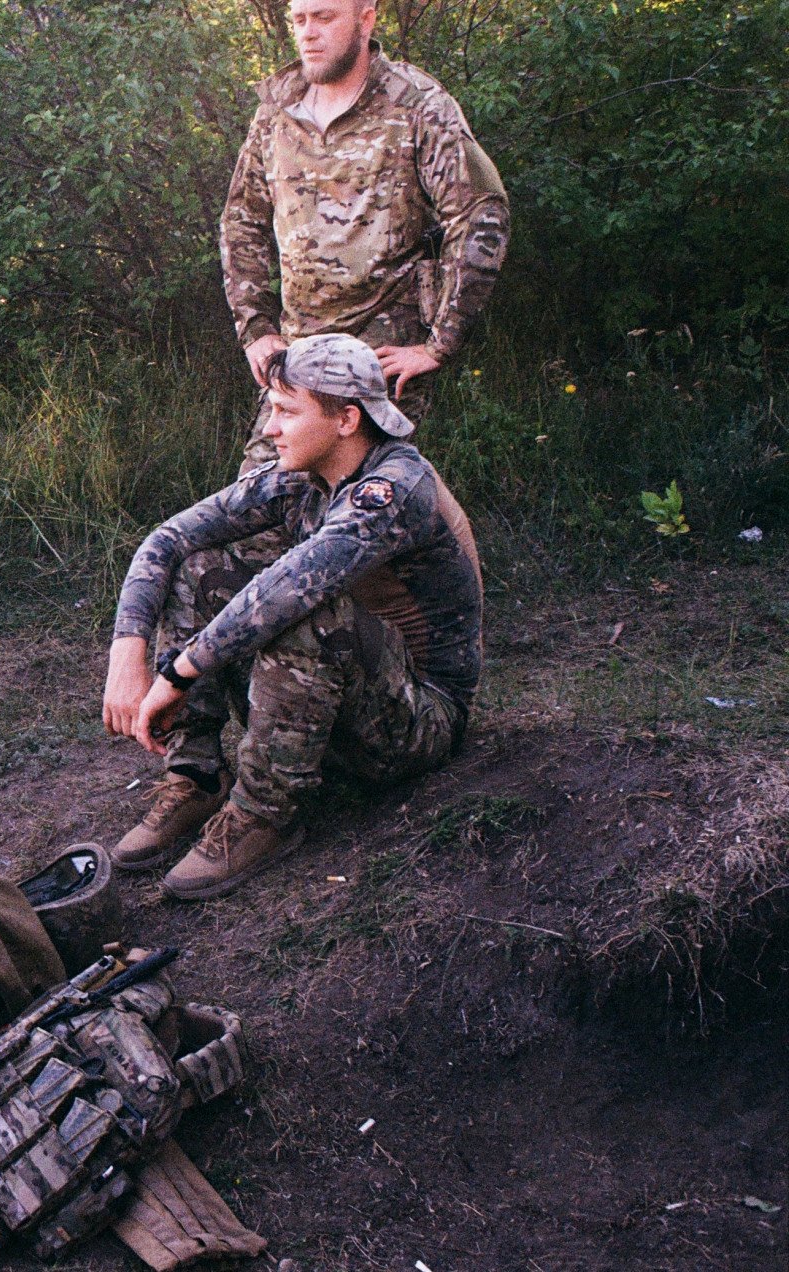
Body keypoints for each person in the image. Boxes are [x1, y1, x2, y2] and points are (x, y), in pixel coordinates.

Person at [101, 335, 482, 900]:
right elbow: (168, 539)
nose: (270, 429)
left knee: (303, 607)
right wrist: (127, 652)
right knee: (201, 567)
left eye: (286, 411)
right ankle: (196, 776)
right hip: (356, 695)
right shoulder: (308, 473)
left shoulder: (394, 488)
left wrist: (177, 673)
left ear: (347, 419)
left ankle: (264, 813)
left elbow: (293, 586)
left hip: (419, 722)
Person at [220, 0, 508, 469]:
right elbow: (242, 219)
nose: (308, 33)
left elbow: (480, 212)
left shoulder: (417, 104)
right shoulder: (277, 111)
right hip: (299, 349)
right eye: (300, 20)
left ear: (365, 19)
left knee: (366, 507)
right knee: (260, 503)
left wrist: (440, 343)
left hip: (381, 349)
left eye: (325, 17)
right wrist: (255, 328)